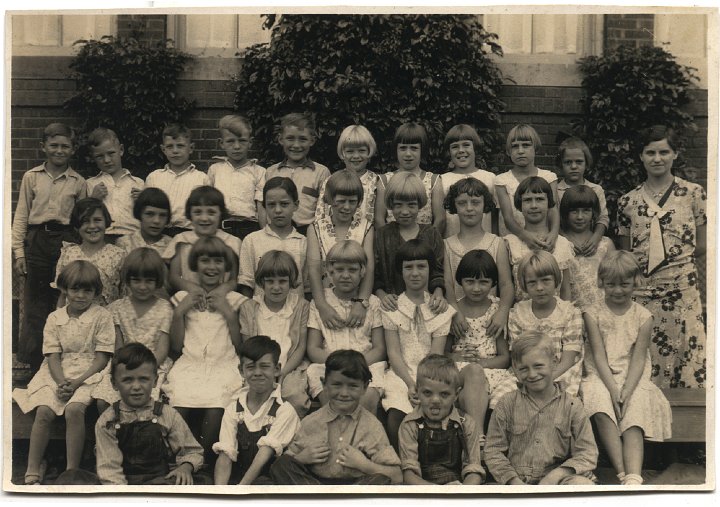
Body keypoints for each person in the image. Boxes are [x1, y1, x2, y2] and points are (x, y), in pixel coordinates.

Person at [617, 125, 706, 389]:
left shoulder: (693, 193)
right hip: (644, 292)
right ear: (641, 156)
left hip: (682, 290)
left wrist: (673, 265)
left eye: (664, 152)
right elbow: (626, 253)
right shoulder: (627, 201)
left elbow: (701, 244)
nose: (658, 158)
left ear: (675, 154)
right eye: (651, 152)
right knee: (647, 358)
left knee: (687, 354)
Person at [13, 261, 114, 485]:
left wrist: (76, 383)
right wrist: (61, 382)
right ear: (64, 290)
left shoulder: (102, 316)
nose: (80, 295)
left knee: (74, 410)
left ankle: (71, 470)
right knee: (44, 412)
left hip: (89, 373)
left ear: (96, 292)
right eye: (75, 289)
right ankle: (32, 467)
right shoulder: (55, 318)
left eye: (87, 290)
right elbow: (52, 356)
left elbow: (102, 357)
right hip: (57, 372)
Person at [580, 251, 672, 486]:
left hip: (633, 376)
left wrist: (626, 391)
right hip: (601, 375)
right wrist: (613, 390)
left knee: (634, 409)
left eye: (624, 284)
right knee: (598, 402)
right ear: (601, 283)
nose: (618, 290)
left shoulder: (643, 316)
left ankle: (634, 476)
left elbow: (639, 359)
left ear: (636, 282)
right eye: (611, 284)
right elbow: (598, 356)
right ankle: (622, 473)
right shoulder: (592, 313)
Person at [163, 237, 246, 464]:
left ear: (227, 267)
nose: (211, 267)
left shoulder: (236, 300)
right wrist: (180, 312)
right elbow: (176, 346)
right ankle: (177, 459)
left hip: (223, 363)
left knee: (217, 402)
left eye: (218, 261)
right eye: (205, 261)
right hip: (191, 363)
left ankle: (203, 462)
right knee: (179, 398)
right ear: (195, 265)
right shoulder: (181, 298)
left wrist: (228, 314)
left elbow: (241, 346)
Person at [12, 122, 87, 372]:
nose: (59, 150)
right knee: (36, 303)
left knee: (64, 300)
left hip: (66, 241)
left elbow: (82, 220)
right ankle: (33, 364)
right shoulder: (31, 177)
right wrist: (19, 252)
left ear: (73, 149)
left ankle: (61, 361)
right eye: (53, 145)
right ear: (43, 147)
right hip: (37, 241)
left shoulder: (78, 182)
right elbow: (21, 216)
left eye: (65, 146)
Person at [270, 350, 402, 485]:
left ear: (365, 387)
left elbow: (397, 476)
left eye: (353, 386)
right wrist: (301, 458)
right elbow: (288, 462)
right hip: (313, 485)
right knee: (281, 464)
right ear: (324, 384)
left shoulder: (372, 426)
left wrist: (364, 465)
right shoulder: (311, 422)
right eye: (337, 385)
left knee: (380, 480)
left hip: (354, 489)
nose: (344, 393)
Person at [484, 331, 598, 486]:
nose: (532, 374)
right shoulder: (506, 403)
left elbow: (588, 453)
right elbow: (493, 451)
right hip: (517, 481)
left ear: (555, 362)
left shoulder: (572, 405)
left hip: (557, 481)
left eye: (538, 366)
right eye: (523, 369)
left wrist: (557, 474)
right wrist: (513, 482)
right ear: (515, 370)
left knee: (583, 486)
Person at [95, 342, 208, 485]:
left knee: (197, 482)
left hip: (160, 481)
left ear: (155, 381)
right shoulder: (107, 420)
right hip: (121, 483)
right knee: (72, 480)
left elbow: (192, 451)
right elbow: (109, 469)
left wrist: (186, 467)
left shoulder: (167, 414)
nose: (136, 387)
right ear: (114, 383)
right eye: (127, 380)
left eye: (143, 379)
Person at [382, 239, 455, 450]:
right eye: (408, 267)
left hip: (432, 373)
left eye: (421, 266)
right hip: (399, 373)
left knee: (431, 409)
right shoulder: (391, 307)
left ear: (431, 269)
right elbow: (393, 353)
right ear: (400, 271)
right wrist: (409, 383)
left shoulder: (440, 310)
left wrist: (422, 383)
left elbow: (436, 354)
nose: (415, 273)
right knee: (396, 413)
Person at [306, 240, 387, 413]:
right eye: (340, 270)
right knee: (321, 381)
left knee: (367, 397)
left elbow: (380, 349)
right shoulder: (320, 303)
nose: (345, 275)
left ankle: (363, 437)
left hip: (366, 363)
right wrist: (339, 365)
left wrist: (357, 365)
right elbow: (313, 348)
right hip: (329, 363)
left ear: (362, 272)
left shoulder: (373, 303)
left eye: (352, 270)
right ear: (329, 272)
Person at [93, 248, 173, 412]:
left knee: (146, 401)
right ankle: (112, 434)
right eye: (136, 280)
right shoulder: (116, 309)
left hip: (153, 365)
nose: (142, 286)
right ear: (127, 281)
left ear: (157, 281)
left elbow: (162, 349)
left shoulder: (165, 309)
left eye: (149, 281)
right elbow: (119, 348)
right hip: (125, 364)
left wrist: (144, 370)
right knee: (104, 400)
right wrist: (129, 370)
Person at [213, 336, 300, 485]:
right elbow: (226, 454)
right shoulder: (234, 408)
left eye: (264, 366)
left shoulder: (284, 410)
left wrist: (240, 491)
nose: (258, 373)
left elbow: (264, 455)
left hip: (272, 482)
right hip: (241, 480)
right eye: (251, 367)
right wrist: (220, 493)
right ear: (241, 370)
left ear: (277, 369)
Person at [447, 250, 515, 431]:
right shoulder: (454, 312)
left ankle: (483, 440)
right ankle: (476, 438)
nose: (476, 288)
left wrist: (482, 363)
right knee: (473, 376)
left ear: (493, 283)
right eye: (470, 281)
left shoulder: (496, 311)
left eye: (483, 282)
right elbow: (444, 354)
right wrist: (457, 356)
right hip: (461, 371)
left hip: (492, 370)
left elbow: (504, 358)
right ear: (460, 281)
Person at [239, 251, 311, 417]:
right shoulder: (249, 308)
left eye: (282, 281)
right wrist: (266, 372)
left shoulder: (301, 306)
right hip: (259, 366)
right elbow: (249, 347)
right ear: (261, 283)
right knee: (250, 394)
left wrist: (283, 373)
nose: (276, 287)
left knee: (293, 396)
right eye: (270, 281)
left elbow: (300, 347)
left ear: (291, 282)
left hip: (290, 367)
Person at [442, 178, 513, 343]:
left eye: (475, 202)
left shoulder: (497, 243)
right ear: (454, 206)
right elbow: (447, 283)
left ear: (485, 205)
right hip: (457, 322)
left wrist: (502, 312)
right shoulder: (446, 244)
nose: (469, 208)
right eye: (462, 203)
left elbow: (506, 284)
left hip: (489, 322)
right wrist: (454, 312)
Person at [398, 354, 485, 485]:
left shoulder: (466, 423)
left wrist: (460, 494)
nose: (435, 400)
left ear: (456, 394)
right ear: (417, 391)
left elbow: (474, 469)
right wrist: (439, 494)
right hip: (424, 490)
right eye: (427, 393)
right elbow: (409, 475)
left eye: (444, 394)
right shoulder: (410, 425)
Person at [508, 251, 584, 397]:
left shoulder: (569, 313)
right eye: (532, 282)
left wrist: (545, 380)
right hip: (526, 375)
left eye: (545, 280)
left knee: (556, 401)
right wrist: (529, 380)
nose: (539, 288)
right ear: (524, 285)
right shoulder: (518, 313)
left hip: (560, 373)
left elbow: (568, 360)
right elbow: (516, 358)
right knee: (503, 396)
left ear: (556, 280)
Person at [308, 169, 375, 330]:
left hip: (356, 298)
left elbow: (369, 266)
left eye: (352, 201)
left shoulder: (366, 227)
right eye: (341, 201)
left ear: (359, 202)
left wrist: (361, 303)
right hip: (326, 299)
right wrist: (322, 306)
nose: (346, 207)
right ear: (330, 199)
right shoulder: (316, 227)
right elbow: (313, 268)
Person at [373, 172, 446, 313]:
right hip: (391, 306)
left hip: (426, 306)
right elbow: (375, 274)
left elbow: (438, 272)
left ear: (420, 205)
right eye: (398, 205)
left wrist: (438, 292)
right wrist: (382, 295)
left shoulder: (432, 234)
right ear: (390, 206)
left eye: (411, 205)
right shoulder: (382, 235)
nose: (405, 211)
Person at [163, 185, 240, 305]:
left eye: (211, 212)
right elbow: (174, 277)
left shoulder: (231, 242)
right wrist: (193, 289)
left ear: (221, 214)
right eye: (198, 212)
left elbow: (234, 279)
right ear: (190, 214)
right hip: (189, 298)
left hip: (222, 300)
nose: (204, 218)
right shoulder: (181, 241)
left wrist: (222, 290)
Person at [504, 176, 574, 302]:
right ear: (519, 205)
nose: (534, 205)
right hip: (522, 315)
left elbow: (565, 290)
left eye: (540, 199)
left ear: (549, 204)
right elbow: (505, 287)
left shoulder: (563, 244)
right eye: (527, 200)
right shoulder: (509, 244)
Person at [238, 177, 308, 299]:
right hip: (261, 313)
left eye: (284, 204)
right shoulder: (252, 240)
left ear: (296, 205)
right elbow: (246, 283)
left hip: (296, 313)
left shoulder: (304, 243)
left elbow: (308, 286)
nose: (278, 210)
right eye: (271, 205)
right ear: (264, 206)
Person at [494, 124, 560, 249]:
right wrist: (525, 236)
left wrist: (554, 234)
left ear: (535, 148)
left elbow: (553, 210)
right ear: (508, 151)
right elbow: (507, 218)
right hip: (513, 242)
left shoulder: (549, 177)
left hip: (543, 240)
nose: (520, 151)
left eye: (526, 145)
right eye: (515, 147)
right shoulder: (501, 181)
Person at [264, 112, 331, 236]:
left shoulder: (321, 172)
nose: (296, 145)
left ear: (312, 141)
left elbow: (325, 210)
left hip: (308, 233)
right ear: (280, 139)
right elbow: (264, 207)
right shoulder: (271, 172)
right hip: (275, 232)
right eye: (290, 138)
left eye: (303, 139)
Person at [53, 198, 126, 307]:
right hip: (74, 321)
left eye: (97, 220)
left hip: (106, 320)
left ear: (106, 222)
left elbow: (124, 295)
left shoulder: (118, 255)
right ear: (77, 226)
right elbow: (62, 295)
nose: (92, 226)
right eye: (85, 221)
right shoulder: (68, 253)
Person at [208, 114, 267, 240]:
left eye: (242, 141)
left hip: (250, 229)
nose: (236, 146)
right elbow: (209, 203)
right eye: (230, 141)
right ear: (221, 143)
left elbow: (261, 207)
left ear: (250, 142)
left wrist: (264, 236)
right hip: (221, 228)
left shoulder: (258, 171)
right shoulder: (215, 170)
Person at [145, 123, 210, 237]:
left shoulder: (202, 179)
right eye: (170, 146)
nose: (175, 151)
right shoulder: (154, 177)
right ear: (163, 149)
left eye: (180, 146)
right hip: (160, 233)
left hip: (190, 233)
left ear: (191, 148)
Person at [434, 124, 497, 238]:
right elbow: (440, 220)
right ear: (449, 151)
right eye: (455, 147)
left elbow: (495, 218)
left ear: (475, 148)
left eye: (466, 145)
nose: (461, 150)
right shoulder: (442, 180)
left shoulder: (490, 178)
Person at [559, 186, 614, 311]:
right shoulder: (560, 244)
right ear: (565, 213)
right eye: (574, 211)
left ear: (594, 213)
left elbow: (616, 280)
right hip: (572, 317)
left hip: (603, 313)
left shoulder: (605, 245)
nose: (580, 217)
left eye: (586, 211)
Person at [85, 127, 144, 242]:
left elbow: (147, 216)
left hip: (132, 237)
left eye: (111, 153)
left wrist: (142, 202)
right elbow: (82, 218)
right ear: (94, 158)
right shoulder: (90, 184)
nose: (106, 160)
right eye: (100, 156)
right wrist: (93, 200)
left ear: (121, 150)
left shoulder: (138, 183)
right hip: (102, 238)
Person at [376, 122, 440, 228]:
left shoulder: (433, 180)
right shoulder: (385, 181)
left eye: (414, 148)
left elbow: (440, 219)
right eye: (403, 148)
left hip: (425, 241)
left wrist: (427, 242)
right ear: (396, 150)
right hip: (392, 242)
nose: (408, 154)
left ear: (422, 150)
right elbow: (379, 219)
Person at [556, 136, 609, 257]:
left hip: (590, 244)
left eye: (579, 162)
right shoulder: (555, 190)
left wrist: (595, 239)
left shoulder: (596, 189)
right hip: (564, 245)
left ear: (586, 163)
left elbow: (603, 218)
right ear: (561, 164)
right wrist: (566, 240)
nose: (574, 166)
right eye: (568, 162)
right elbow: (553, 221)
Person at [326, 124, 381, 227]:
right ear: (343, 153)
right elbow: (322, 217)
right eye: (350, 151)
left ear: (369, 151)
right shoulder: (331, 180)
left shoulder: (377, 182)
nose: (356, 156)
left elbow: (380, 220)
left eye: (361, 150)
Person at [116, 187, 172, 255]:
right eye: (150, 214)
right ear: (139, 214)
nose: (156, 221)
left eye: (162, 215)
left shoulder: (172, 245)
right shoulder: (124, 243)